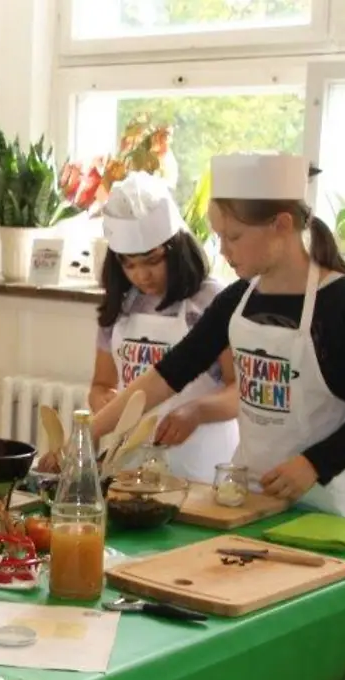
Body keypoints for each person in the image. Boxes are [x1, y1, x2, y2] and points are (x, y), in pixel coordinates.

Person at [91, 153, 345, 680]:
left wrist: (314, 465)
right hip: (251, 495)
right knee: (253, 638)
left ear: (283, 225)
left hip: (326, 503)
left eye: (232, 236)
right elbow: (163, 378)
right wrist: (85, 434)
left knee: (324, 646)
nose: (222, 250)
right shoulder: (240, 301)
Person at [86, 172, 237, 482]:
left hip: (199, 459)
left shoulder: (210, 300)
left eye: (152, 261)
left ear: (176, 248)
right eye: (129, 264)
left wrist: (197, 410)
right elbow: (101, 383)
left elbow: (241, 393)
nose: (142, 275)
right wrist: (103, 401)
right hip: (131, 461)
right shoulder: (120, 305)